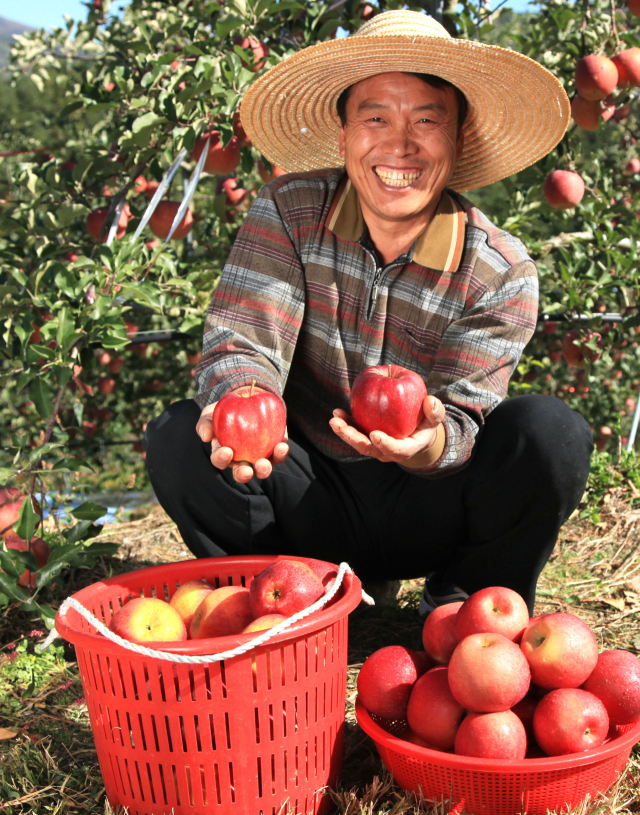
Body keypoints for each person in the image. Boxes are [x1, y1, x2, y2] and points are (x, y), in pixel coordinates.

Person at [144, 11, 593, 616]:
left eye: (427, 121)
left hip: (427, 504)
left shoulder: (501, 271)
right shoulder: (290, 209)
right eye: (374, 117)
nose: (399, 145)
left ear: (458, 140)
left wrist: (431, 442)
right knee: (179, 437)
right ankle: (279, 597)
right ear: (344, 136)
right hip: (307, 493)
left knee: (551, 435)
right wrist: (241, 400)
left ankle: (463, 599)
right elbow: (246, 338)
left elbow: (464, 419)